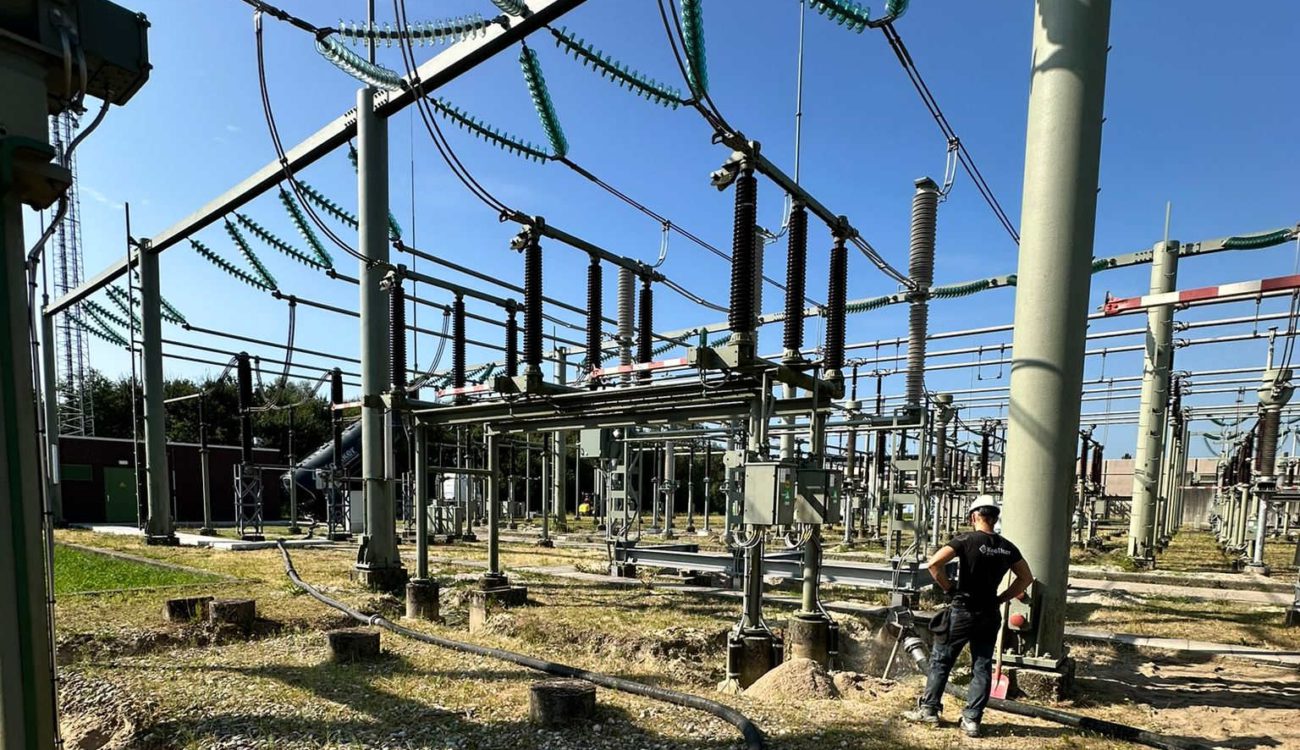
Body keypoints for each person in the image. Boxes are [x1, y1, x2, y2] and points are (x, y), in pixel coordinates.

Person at [902, 495, 1034, 737]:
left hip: (963, 610)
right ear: (995, 518)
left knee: (942, 661)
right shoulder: (1008, 547)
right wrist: (1001, 598)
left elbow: (934, 564)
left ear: (974, 516)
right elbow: (1026, 578)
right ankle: (972, 720)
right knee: (982, 666)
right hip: (989, 613)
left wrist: (950, 590)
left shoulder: (965, 540)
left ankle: (929, 710)